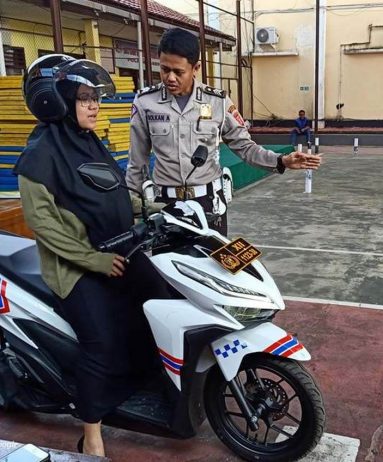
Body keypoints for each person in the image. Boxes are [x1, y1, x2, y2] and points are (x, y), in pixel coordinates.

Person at [14, 55, 171, 457]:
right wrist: (92, 260)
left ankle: (150, 385)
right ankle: (92, 433)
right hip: (75, 267)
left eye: (96, 97)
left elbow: (114, 194)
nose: (95, 105)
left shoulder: (89, 141)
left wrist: (159, 211)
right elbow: (43, 224)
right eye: (84, 98)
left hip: (118, 247)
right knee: (100, 340)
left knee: (161, 299)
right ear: (57, 101)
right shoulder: (39, 155)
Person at [126, 28, 322, 236]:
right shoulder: (146, 102)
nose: (170, 78)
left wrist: (280, 160)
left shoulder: (217, 102)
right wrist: (128, 205)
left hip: (208, 204)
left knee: (213, 257)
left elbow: (245, 147)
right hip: (164, 205)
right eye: (165, 69)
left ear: (196, 68)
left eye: (179, 72)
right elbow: (137, 161)